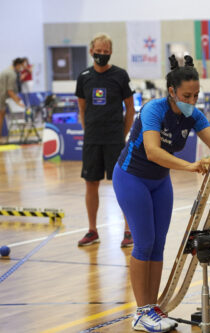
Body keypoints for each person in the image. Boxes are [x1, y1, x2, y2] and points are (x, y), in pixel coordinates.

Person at [112, 54, 210, 332]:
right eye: (187, 95)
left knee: (158, 245)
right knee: (144, 243)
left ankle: (153, 308)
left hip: (160, 182)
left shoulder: (194, 114)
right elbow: (152, 151)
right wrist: (192, 166)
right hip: (131, 178)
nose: (193, 101)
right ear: (172, 92)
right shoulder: (153, 110)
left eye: (196, 95)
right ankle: (141, 312)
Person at [75, 33, 136, 247]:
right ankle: (92, 231)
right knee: (91, 183)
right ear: (91, 51)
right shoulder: (83, 77)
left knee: (122, 184)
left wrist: (123, 134)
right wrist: (87, 129)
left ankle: (128, 231)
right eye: (98, 51)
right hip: (92, 139)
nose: (102, 54)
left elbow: (130, 108)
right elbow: (82, 107)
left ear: (110, 52)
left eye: (105, 51)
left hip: (114, 139)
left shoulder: (120, 75)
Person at [0, 58, 25, 143]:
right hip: (1, 97)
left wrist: (15, 98)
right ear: (18, 65)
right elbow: (9, 91)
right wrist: (18, 103)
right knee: (1, 116)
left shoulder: (6, 70)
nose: (22, 68)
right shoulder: (12, 74)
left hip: (2, 96)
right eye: (22, 66)